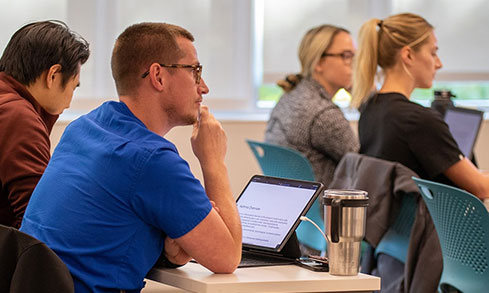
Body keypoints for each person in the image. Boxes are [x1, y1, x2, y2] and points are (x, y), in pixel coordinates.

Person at [20, 22, 242, 292]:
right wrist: (213, 160)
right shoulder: (152, 159)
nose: (204, 87)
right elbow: (228, 257)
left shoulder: (83, 128)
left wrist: (166, 248)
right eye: (194, 71)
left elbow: (103, 232)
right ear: (158, 76)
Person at [352, 12, 489, 292]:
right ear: (408, 55)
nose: (439, 63)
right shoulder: (418, 120)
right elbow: (480, 187)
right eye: (433, 52)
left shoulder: (371, 110)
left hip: (396, 246)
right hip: (441, 247)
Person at [0, 21, 90, 228]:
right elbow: (39, 219)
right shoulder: (17, 117)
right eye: (73, 87)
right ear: (53, 75)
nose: (69, 102)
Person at [265, 24, 359, 188]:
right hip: (322, 209)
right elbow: (364, 169)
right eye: (346, 56)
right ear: (319, 63)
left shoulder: (292, 94)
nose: (354, 65)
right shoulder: (323, 114)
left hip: (293, 204)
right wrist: (367, 96)